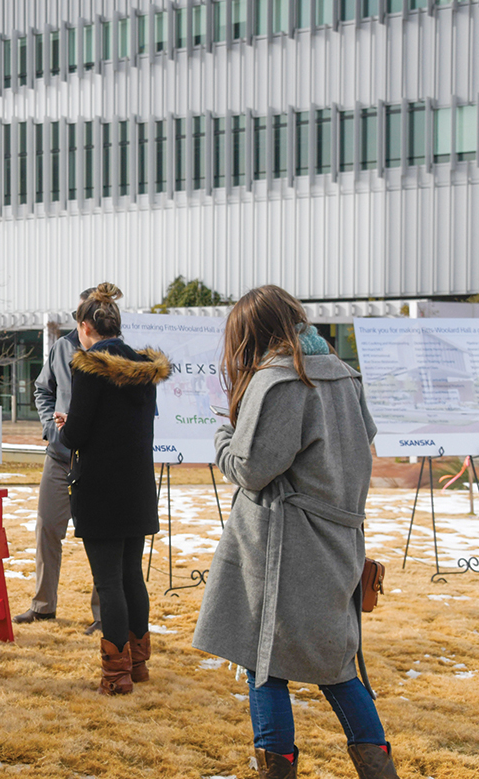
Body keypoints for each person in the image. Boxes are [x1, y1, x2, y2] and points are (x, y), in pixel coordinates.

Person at [192, 286, 396, 779]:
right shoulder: (344, 374)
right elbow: (361, 442)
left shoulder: (281, 379)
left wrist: (222, 433)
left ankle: (276, 770)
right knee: (337, 662)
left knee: (264, 659)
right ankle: (378, 769)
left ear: (253, 334)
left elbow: (250, 468)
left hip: (285, 545)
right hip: (338, 538)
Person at [52, 283, 168, 695]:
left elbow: (79, 432)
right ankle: (137, 666)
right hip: (137, 484)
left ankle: (115, 676)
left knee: (109, 583)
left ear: (86, 326)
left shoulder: (89, 365)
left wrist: (66, 427)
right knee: (131, 575)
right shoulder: (143, 367)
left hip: (100, 486)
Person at [17, 287, 101, 632]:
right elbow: (43, 389)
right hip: (59, 455)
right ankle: (43, 606)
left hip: (97, 460)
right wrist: (52, 427)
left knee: (100, 535)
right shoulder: (62, 347)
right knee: (47, 528)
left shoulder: (118, 352)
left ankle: (104, 614)